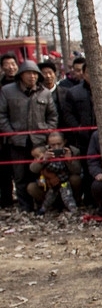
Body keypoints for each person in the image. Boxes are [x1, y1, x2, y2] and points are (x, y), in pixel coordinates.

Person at [0, 60, 58, 212]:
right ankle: (25, 206)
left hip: (39, 141)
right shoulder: (7, 91)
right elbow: (2, 115)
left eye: (35, 74)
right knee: (19, 175)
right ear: (21, 75)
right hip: (16, 141)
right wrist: (11, 134)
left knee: (40, 173)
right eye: (28, 73)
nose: (32, 76)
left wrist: (47, 132)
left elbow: (53, 116)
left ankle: (42, 204)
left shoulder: (45, 92)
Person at [27, 131, 81, 214]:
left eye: (59, 144)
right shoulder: (42, 151)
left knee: (75, 179)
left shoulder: (73, 151)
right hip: (50, 185)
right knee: (31, 187)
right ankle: (49, 206)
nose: (56, 147)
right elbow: (33, 169)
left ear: (64, 142)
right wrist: (43, 160)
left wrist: (69, 161)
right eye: (53, 145)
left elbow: (77, 170)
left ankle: (74, 204)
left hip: (65, 184)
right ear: (48, 144)